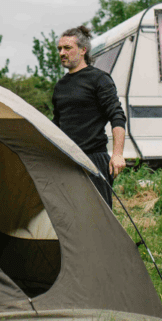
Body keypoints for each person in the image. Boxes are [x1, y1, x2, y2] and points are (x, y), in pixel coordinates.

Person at [52, 25, 127, 207]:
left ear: (83, 50)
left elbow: (117, 116)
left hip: (94, 160)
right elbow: (57, 125)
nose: (62, 53)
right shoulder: (60, 86)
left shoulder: (99, 79)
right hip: (68, 161)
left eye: (67, 48)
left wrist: (117, 154)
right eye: (60, 49)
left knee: (98, 219)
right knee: (71, 217)